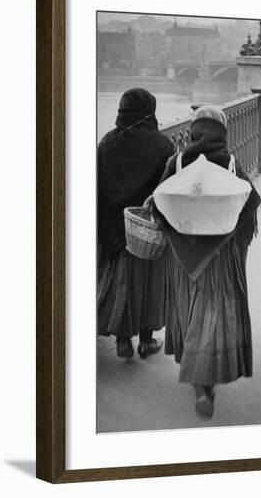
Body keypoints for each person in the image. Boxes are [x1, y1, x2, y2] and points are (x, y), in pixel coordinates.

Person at [156, 106, 261, 418]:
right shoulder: (230, 163)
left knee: (188, 309)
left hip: (183, 254)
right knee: (213, 313)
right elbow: (249, 205)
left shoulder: (175, 162)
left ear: (193, 132)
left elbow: (160, 204)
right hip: (219, 256)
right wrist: (235, 242)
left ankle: (197, 376)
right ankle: (205, 381)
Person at [97, 88, 174, 359]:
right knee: (150, 286)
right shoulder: (164, 146)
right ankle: (146, 341)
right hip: (148, 228)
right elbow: (167, 190)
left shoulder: (107, 142)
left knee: (121, 284)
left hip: (114, 227)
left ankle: (122, 341)